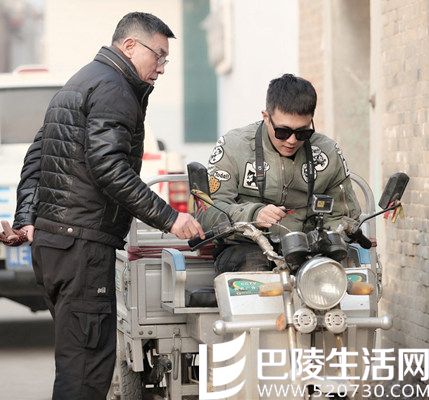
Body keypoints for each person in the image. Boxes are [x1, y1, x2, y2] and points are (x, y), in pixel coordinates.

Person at [4, 12, 204, 400]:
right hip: (83, 248)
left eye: (166, 59)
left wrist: (28, 219)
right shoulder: (115, 89)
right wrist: (169, 218)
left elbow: (37, 156)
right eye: (158, 55)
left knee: (75, 364)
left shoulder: (80, 82)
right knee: (86, 372)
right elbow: (109, 167)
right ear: (129, 46)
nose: (162, 67)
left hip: (55, 247)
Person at [199, 74, 361, 273]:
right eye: (283, 132)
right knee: (254, 267)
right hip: (245, 246)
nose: (292, 140)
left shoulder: (328, 153)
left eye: (302, 133)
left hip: (309, 248)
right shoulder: (234, 146)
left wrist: (328, 237)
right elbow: (207, 211)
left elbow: (345, 215)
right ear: (266, 117)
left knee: (335, 271)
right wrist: (253, 214)